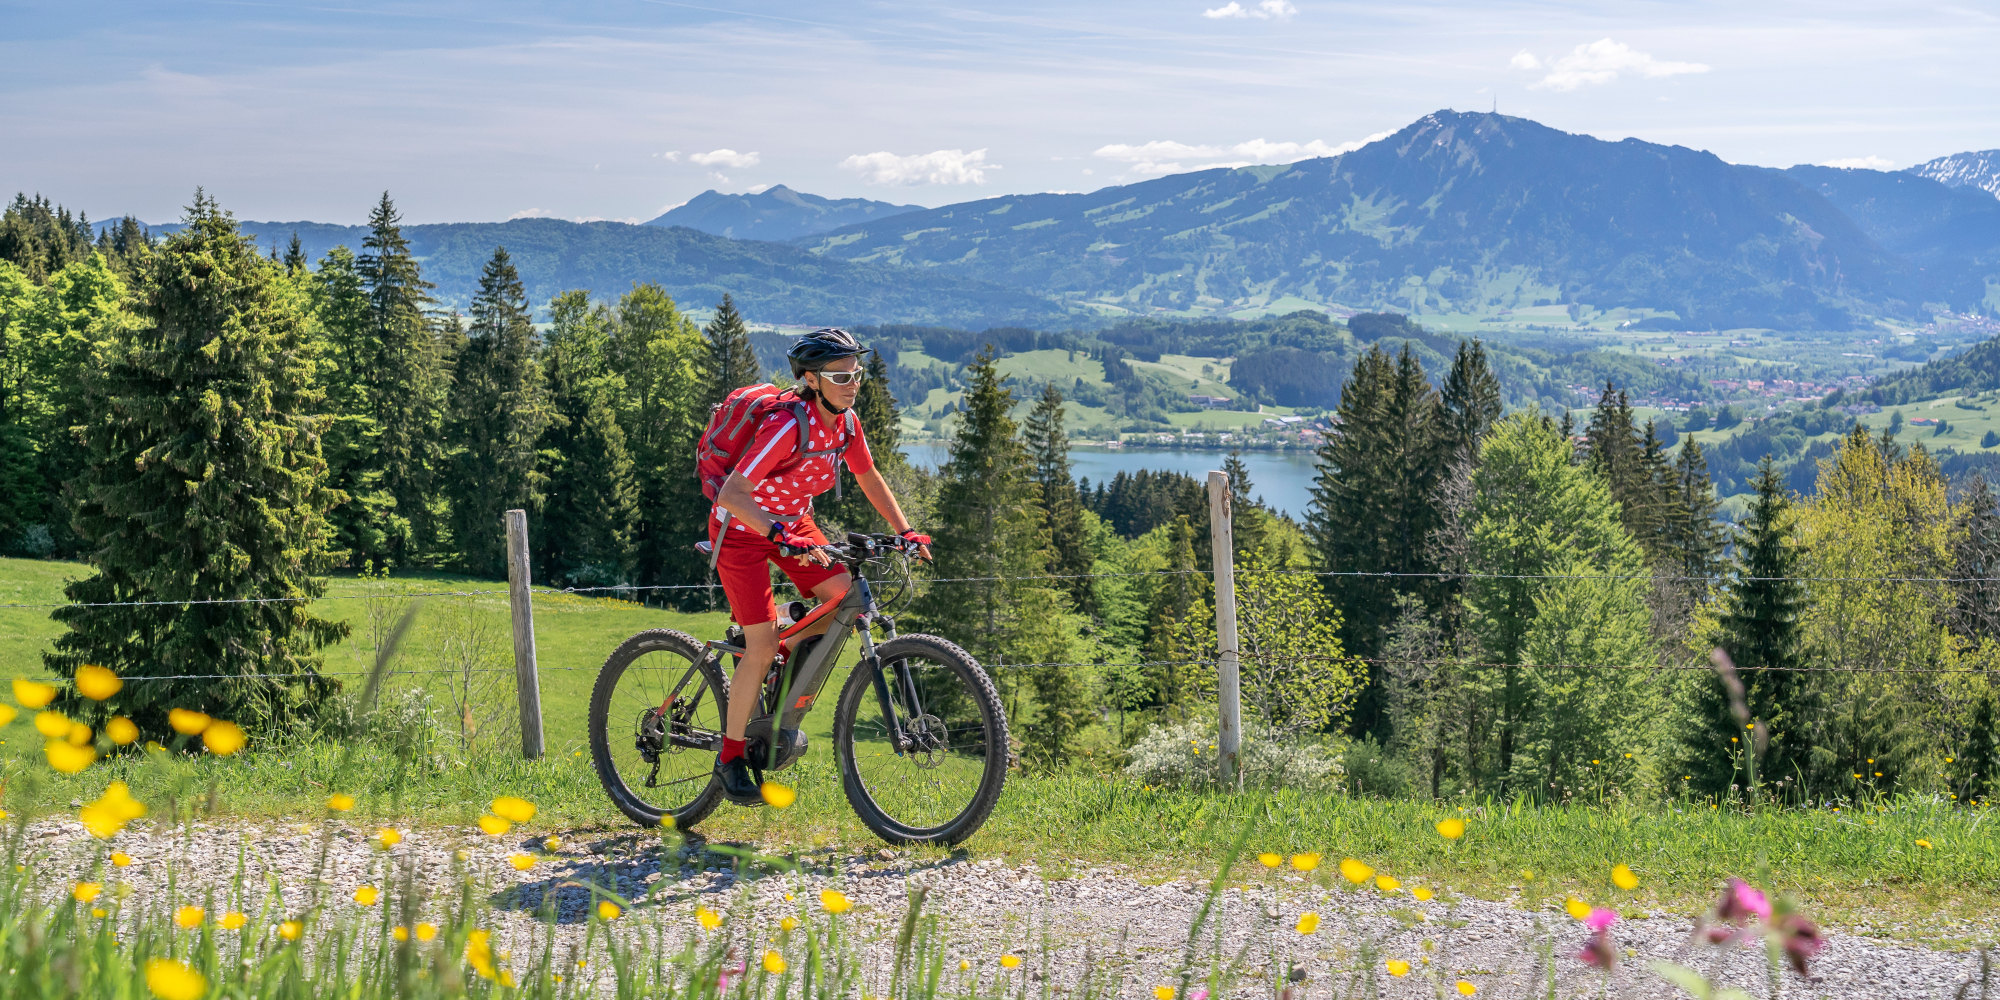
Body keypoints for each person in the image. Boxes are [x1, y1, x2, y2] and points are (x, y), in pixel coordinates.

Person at [708, 328, 931, 804]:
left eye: (857, 373)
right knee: (762, 647)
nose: (852, 383)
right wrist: (775, 533)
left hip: (795, 526)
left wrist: (905, 530)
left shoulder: (846, 424)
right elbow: (733, 493)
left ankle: (784, 623)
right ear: (811, 379)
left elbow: (867, 473)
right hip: (743, 532)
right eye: (841, 375)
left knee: (845, 599)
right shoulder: (788, 425)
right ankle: (729, 758)